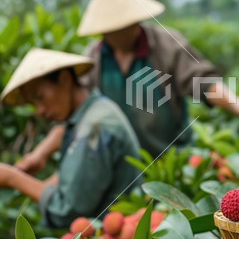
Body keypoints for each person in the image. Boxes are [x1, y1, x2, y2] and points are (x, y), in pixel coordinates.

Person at [16, 0, 239, 173]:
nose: (115, 33)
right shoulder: (93, 60)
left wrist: (237, 106)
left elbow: (202, 82)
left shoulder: (167, 44)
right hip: (121, 170)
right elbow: (76, 113)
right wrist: (39, 154)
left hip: (175, 162)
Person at [0, 48, 142, 228]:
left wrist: (12, 178)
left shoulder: (94, 128)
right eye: (33, 104)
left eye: (40, 97)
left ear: (65, 79)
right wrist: (40, 155)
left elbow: (68, 212)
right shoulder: (95, 111)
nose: (39, 110)